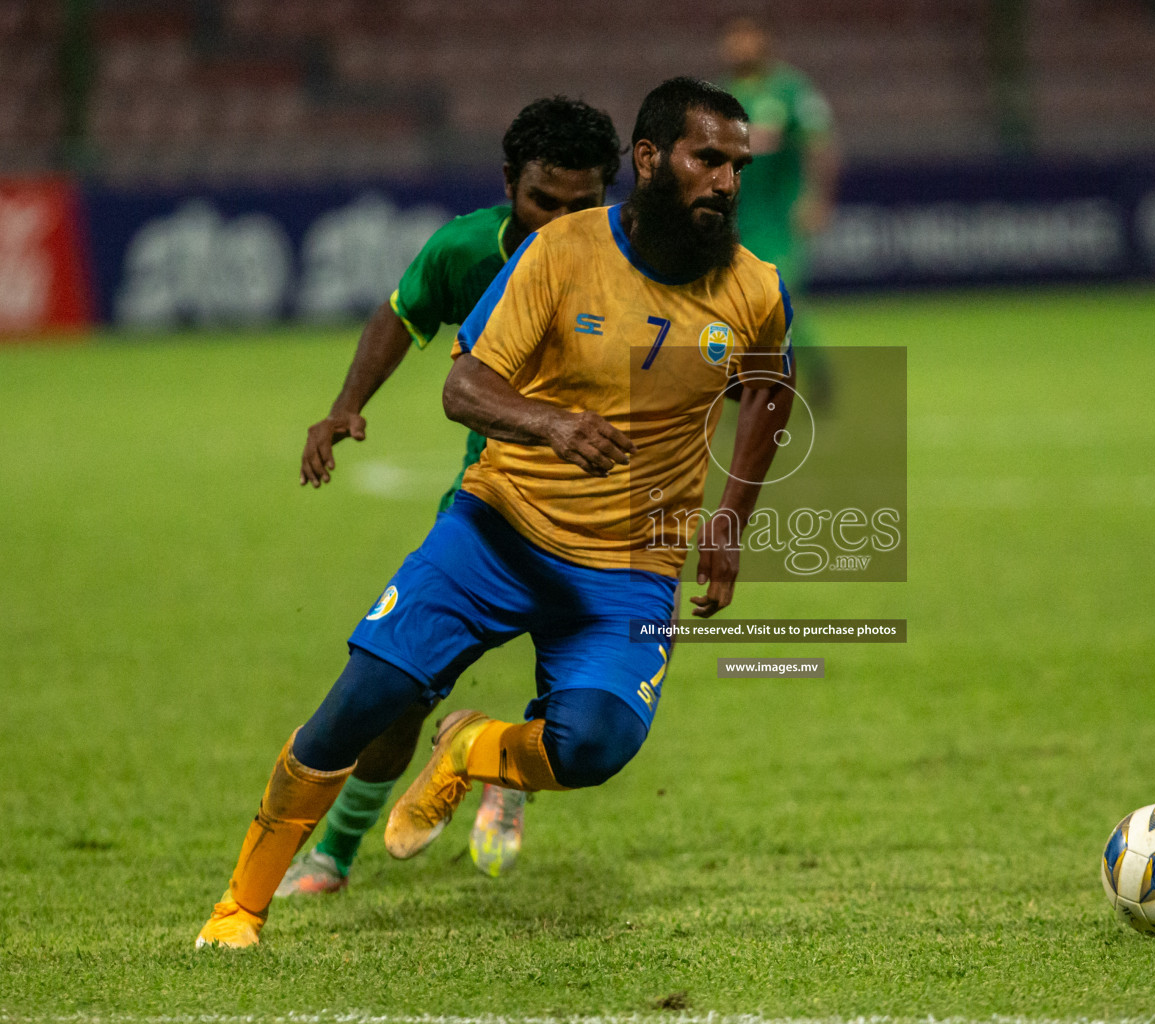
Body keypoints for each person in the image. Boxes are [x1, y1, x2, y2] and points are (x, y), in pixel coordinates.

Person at [196, 76, 796, 949]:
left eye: (738, 165)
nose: (727, 181)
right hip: (498, 531)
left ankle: (472, 750)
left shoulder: (755, 288)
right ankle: (238, 908)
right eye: (709, 158)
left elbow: (770, 395)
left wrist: (733, 520)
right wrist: (553, 424)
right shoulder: (559, 252)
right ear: (650, 158)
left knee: (593, 748)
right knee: (365, 700)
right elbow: (463, 383)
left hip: (631, 567)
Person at [283, 97, 623, 895]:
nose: (562, 222)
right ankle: (334, 849)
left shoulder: (642, 263)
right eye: (545, 201)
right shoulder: (467, 249)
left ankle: (494, 758)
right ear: (510, 183)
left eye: (585, 205)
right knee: (397, 691)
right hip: (491, 512)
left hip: (611, 525)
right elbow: (403, 314)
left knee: (586, 717)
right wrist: (346, 406)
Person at [720, 14, 837, 390]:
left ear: (764, 40)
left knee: (777, 298)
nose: (741, 45)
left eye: (748, 36)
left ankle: (813, 373)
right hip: (738, 219)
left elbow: (821, 145)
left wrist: (816, 198)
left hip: (781, 217)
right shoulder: (722, 96)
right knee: (739, 304)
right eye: (734, 37)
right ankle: (754, 381)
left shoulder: (791, 90)